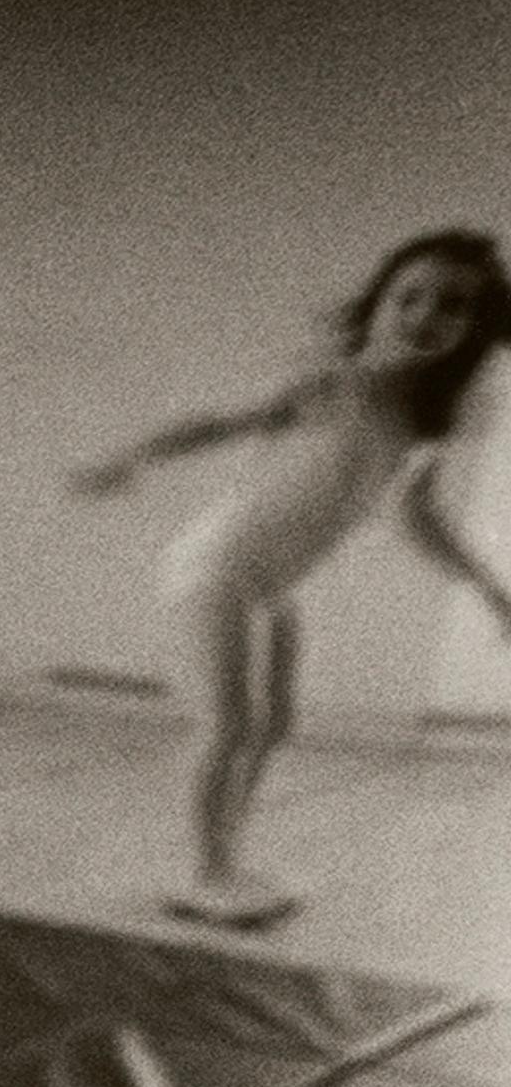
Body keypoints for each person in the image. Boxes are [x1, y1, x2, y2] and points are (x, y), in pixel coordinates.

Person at [75, 227, 511, 930]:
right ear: (377, 304)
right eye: (410, 297)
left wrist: (490, 587)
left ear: (475, 327)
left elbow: (418, 518)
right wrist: (133, 457)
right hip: (215, 566)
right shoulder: (336, 385)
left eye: (452, 306)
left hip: (270, 586)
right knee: (229, 722)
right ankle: (204, 871)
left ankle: (226, 858)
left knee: (272, 726)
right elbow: (217, 425)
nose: (426, 316)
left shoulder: (426, 420)